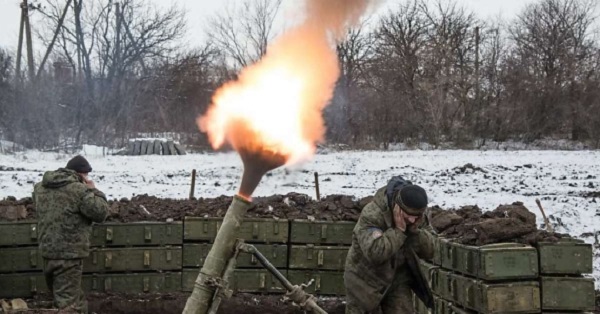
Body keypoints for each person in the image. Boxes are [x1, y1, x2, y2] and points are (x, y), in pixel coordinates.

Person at [344, 175, 435, 314]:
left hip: (397, 278)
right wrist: (398, 232)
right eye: (408, 215)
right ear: (397, 207)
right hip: (364, 280)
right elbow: (375, 253)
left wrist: (415, 232)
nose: (412, 220)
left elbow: (431, 250)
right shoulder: (373, 214)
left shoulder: (417, 215)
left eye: (416, 216)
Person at [33, 155, 109, 313]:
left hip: (47, 252)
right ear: (81, 174)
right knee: (69, 305)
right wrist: (94, 190)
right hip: (68, 256)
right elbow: (100, 213)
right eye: (86, 175)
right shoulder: (79, 190)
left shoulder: (40, 188)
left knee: (63, 299)